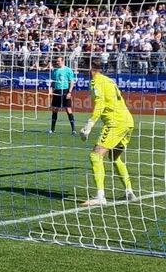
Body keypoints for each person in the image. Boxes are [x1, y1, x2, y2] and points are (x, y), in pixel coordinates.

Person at [80, 56, 137, 206]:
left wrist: (89, 124)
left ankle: (100, 197)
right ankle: (129, 192)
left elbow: (100, 104)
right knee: (114, 157)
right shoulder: (108, 80)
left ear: (90, 68)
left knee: (95, 155)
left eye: (83, 66)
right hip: (127, 121)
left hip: (115, 123)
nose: (80, 70)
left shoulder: (96, 82)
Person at [47, 55, 76, 135]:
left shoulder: (68, 70)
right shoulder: (55, 71)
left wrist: (69, 92)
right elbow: (53, 82)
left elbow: (71, 82)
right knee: (55, 109)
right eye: (56, 61)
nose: (57, 62)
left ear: (63, 61)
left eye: (58, 61)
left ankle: (73, 130)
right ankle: (52, 129)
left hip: (65, 91)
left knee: (68, 109)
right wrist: (50, 90)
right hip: (57, 91)